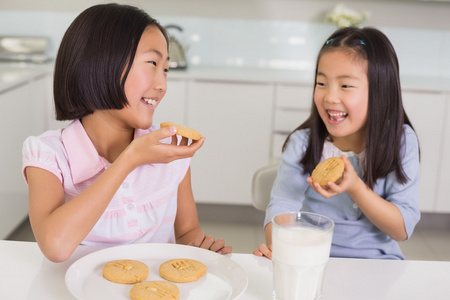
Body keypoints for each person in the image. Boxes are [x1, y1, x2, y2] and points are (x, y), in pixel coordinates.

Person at [22, 3, 231, 263]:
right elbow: (55, 247)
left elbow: (188, 230)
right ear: (100, 64)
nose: (162, 84)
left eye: (165, 69)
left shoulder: (170, 150)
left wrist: (198, 250)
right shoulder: (48, 155)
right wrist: (129, 160)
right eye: (152, 63)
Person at [254, 27, 420, 260]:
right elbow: (283, 205)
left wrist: (355, 188)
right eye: (321, 83)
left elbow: (402, 229)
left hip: (380, 262)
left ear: (380, 92)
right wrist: (280, 247)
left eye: (345, 85)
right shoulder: (303, 143)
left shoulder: (401, 142)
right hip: (312, 257)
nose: (330, 97)